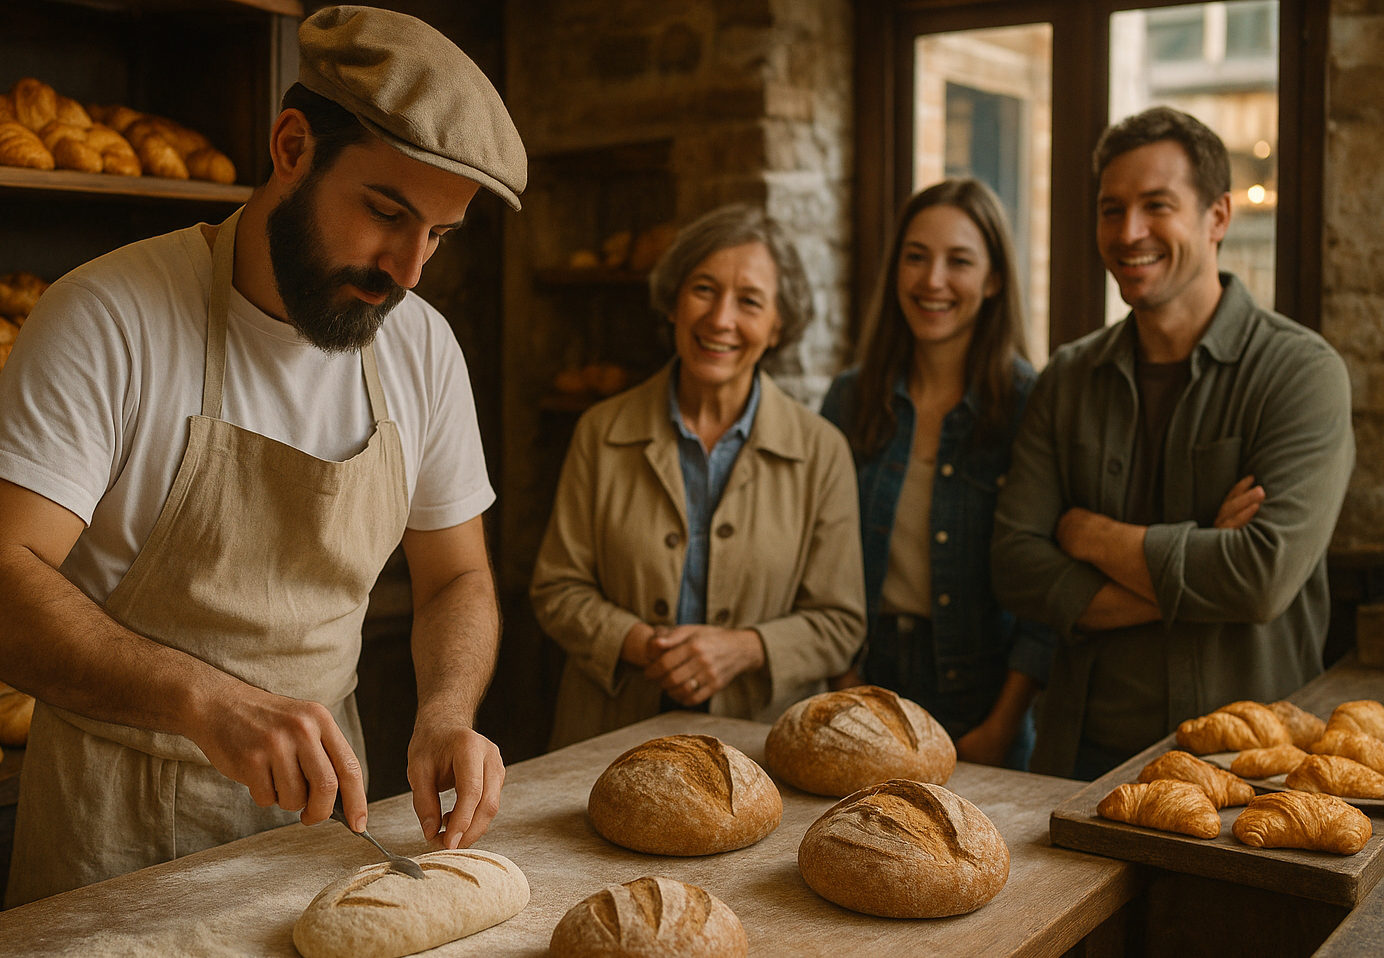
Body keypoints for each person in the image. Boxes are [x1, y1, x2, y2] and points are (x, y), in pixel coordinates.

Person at [0, 7, 521, 906]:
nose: (406, 269)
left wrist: (447, 712)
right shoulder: (107, 318)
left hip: (322, 823)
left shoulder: (424, 348)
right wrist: (206, 702)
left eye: (438, 235)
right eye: (385, 212)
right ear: (292, 147)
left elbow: (455, 578)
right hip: (116, 829)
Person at [992, 106, 1354, 780]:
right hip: (1079, 765)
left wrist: (1089, 534)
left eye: (1156, 205)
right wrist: (1196, 559)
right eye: (1111, 209)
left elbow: (1259, 578)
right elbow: (1015, 567)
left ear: (1218, 216)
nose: (1129, 233)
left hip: (1251, 773)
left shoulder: (1302, 373)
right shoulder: (1068, 376)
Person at [530, 204, 866, 749]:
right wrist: (641, 645)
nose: (720, 319)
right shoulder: (601, 431)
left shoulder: (822, 451)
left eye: (750, 301)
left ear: (778, 325)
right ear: (673, 302)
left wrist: (744, 649)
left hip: (756, 751)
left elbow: (840, 623)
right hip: (604, 739)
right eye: (703, 289)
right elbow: (556, 589)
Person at [821, 179, 1053, 771]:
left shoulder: (1030, 405)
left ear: (994, 278)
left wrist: (1002, 725)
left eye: (960, 261)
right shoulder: (851, 399)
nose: (932, 281)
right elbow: (819, 557)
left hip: (982, 699)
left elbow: (1043, 596)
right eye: (916, 257)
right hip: (863, 683)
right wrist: (845, 683)